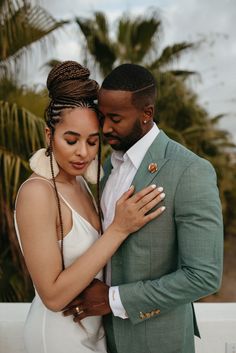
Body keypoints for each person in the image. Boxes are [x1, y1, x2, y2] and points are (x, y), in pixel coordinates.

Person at [63, 63, 224, 353]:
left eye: (115, 118)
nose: (105, 128)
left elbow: (203, 276)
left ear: (146, 114)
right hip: (98, 338)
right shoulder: (109, 165)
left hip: (157, 341)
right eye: (102, 117)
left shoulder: (190, 171)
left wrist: (114, 300)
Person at [14, 61, 166, 353]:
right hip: (57, 336)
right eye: (71, 140)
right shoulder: (37, 193)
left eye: (93, 142)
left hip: (94, 332)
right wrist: (119, 229)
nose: (82, 152)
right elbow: (54, 296)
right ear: (49, 135)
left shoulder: (82, 184)